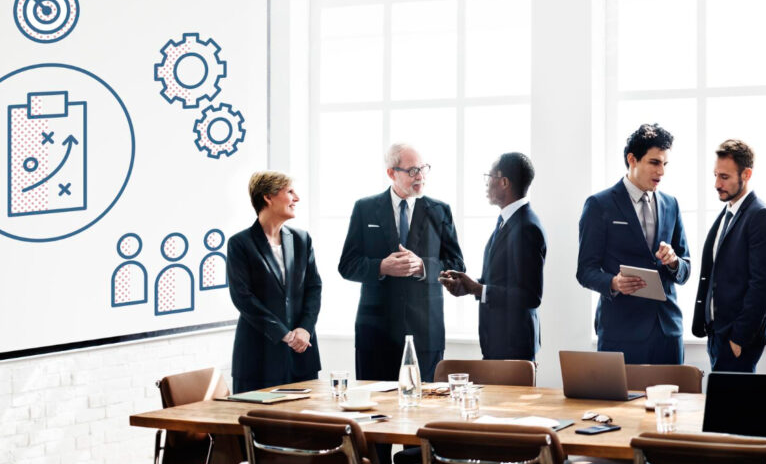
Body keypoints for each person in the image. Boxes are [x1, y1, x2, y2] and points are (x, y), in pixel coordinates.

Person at [338, 143, 464, 382]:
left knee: (425, 408)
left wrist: (423, 266)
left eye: (424, 169)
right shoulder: (364, 208)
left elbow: (457, 265)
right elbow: (347, 265)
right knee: (376, 412)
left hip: (426, 331)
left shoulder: (440, 211)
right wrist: (381, 267)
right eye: (413, 171)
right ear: (391, 173)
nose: (421, 176)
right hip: (375, 332)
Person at [576, 124, 691, 364]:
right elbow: (585, 271)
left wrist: (673, 262)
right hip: (621, 332)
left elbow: (685, 269)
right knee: (620, 403)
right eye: (654, 162)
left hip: (667, 331)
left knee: (670, 402)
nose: (661, 171)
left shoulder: (672, 204)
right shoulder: (599, 205)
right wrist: (614, 283)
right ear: (632, 159)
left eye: (665, 164)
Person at [440, 152, 545, 361]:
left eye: (489, 177)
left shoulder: (526, 227)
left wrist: (478, 289)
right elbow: (503, 281)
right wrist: (469, 287)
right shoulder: (507, 221)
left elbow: (530, 296)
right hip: (498, 344)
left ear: (504, 182)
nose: (486, 184)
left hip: (514, 349)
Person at [227, 172, 322, 393]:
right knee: (258, 425)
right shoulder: (240, 244)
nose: (296, 198)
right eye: (290, 192)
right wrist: (285, 335)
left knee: (305, 423)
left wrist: (305, 329)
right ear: (268, 197)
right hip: (257, 357)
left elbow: (314, 287)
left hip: (301, 354)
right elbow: (243, 297)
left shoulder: (302, 239)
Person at [691, 140, 766, 372]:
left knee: (734, 406)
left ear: (747, 174)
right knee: (722, 406)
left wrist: (739, 338)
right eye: (715, 175)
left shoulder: (761, 217)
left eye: (724, 177)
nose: (716, 183)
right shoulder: (728, 212)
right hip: (718, 333)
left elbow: (761, 285)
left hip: (738, 337)